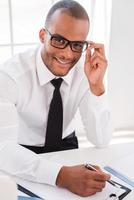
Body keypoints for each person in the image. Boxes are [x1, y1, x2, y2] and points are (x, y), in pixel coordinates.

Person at [0, 0, 112, 197]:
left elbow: (101, 140)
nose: (67, 54)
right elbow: (3, 148)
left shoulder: (85, 71)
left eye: (77, 45)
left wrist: (97, 86)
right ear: (43, 35)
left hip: (67, 145)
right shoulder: (10, 76)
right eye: (59, 40)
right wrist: (61, 175)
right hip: (22, 152)